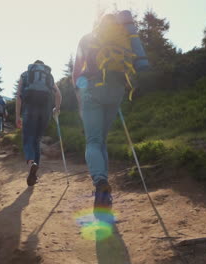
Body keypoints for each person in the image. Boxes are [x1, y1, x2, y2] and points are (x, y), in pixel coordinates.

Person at [72, 14, 130, 214]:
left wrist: (79, 94)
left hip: (93, 89)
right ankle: (104, 187)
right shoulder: (121, 39)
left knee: (93, 140)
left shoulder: (87, 38)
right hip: (116, 90)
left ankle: (100, 182)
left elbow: (77, 71)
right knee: (102, 140)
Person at [16, 60, 62, 186]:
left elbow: (18, 96)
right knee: (36, 140)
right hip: (45, 110)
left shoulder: (25, 75)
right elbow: (58, 94)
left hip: (29, 108)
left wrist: (17, 116)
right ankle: (34, 175)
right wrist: (56, 109)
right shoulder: (48, 76)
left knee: (28, 138)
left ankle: (31, 164)